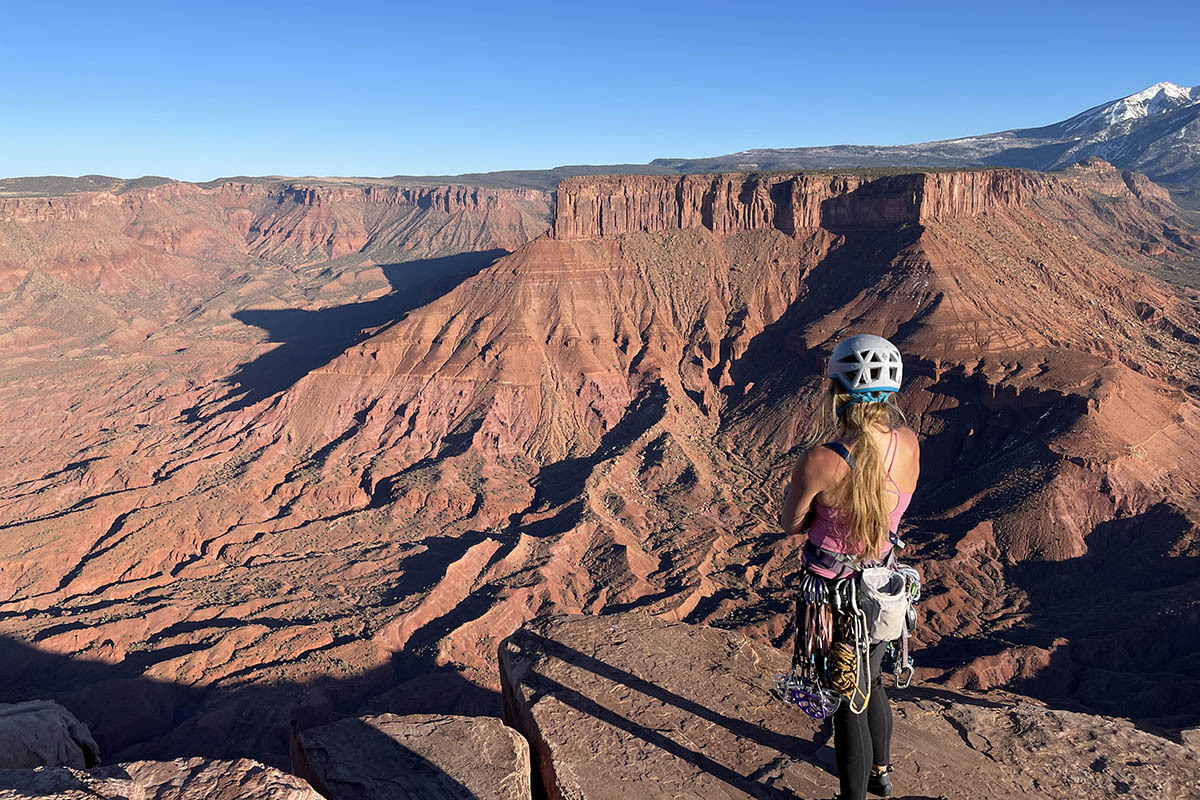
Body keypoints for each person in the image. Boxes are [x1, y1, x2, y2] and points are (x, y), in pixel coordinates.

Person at [779, 334, 920, 800]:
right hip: (883, 586)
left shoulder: (822, 460)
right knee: (871, 680)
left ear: (837, 392)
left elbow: (790, 524)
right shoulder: (908, 444)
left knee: (845, 700)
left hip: (831, 597)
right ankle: (880, 773)